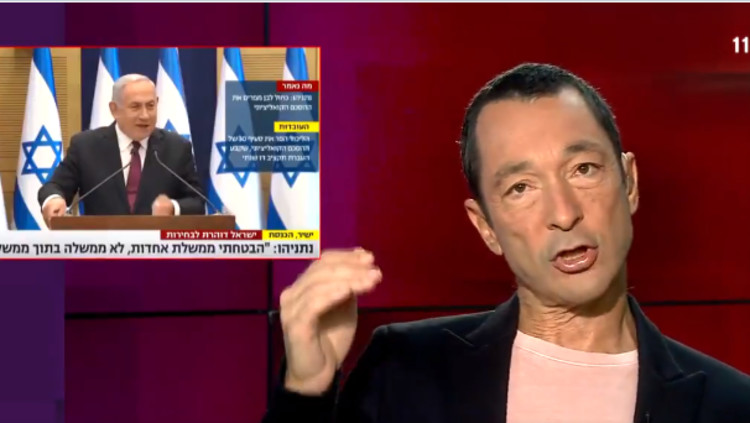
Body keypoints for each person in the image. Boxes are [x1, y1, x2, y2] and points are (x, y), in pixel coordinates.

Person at [262, 63, 750, 423]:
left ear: (630, 183)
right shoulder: (406, 371)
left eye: (583, 169)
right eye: (521, 188)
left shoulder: (729, 406)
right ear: (486, 228)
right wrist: (305, 390)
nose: (564, 213)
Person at [38, 74, 204, 225]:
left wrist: (173, 207)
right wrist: (53, 199)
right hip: (101, 245)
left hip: (157, 245)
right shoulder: (86, 146)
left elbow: (197, 201)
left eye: (150, 106)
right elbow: (54, 186)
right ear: (114, 109)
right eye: (135, 107)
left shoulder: (176, 147)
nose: (145, 115)